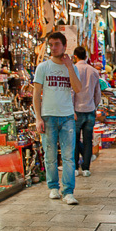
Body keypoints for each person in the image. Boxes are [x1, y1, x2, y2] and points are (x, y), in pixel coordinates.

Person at [32, 31, 82, 205]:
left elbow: (77, 88)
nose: (53, 48)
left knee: (69, 156)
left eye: (56, 44)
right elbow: (36, 93)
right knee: (50, 155)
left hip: (67, 116)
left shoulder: (72, 67)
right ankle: (53, 187)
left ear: (64, 46)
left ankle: (68, 191)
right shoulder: (43, 67)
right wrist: (38, 118)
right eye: (50, 44)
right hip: (48, 116)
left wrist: (69, 67)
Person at [72, 46, 102, 177]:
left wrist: (71, 109)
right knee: (88, 139)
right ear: (86, 56)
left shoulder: (73, 70)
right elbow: (98, 93)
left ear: (75, 57)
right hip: (90, 110)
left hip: (76, 110)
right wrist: (94, 106)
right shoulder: (93, 71)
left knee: (74, 139)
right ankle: (86, 168)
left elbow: (71, 92)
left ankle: (75, 166)